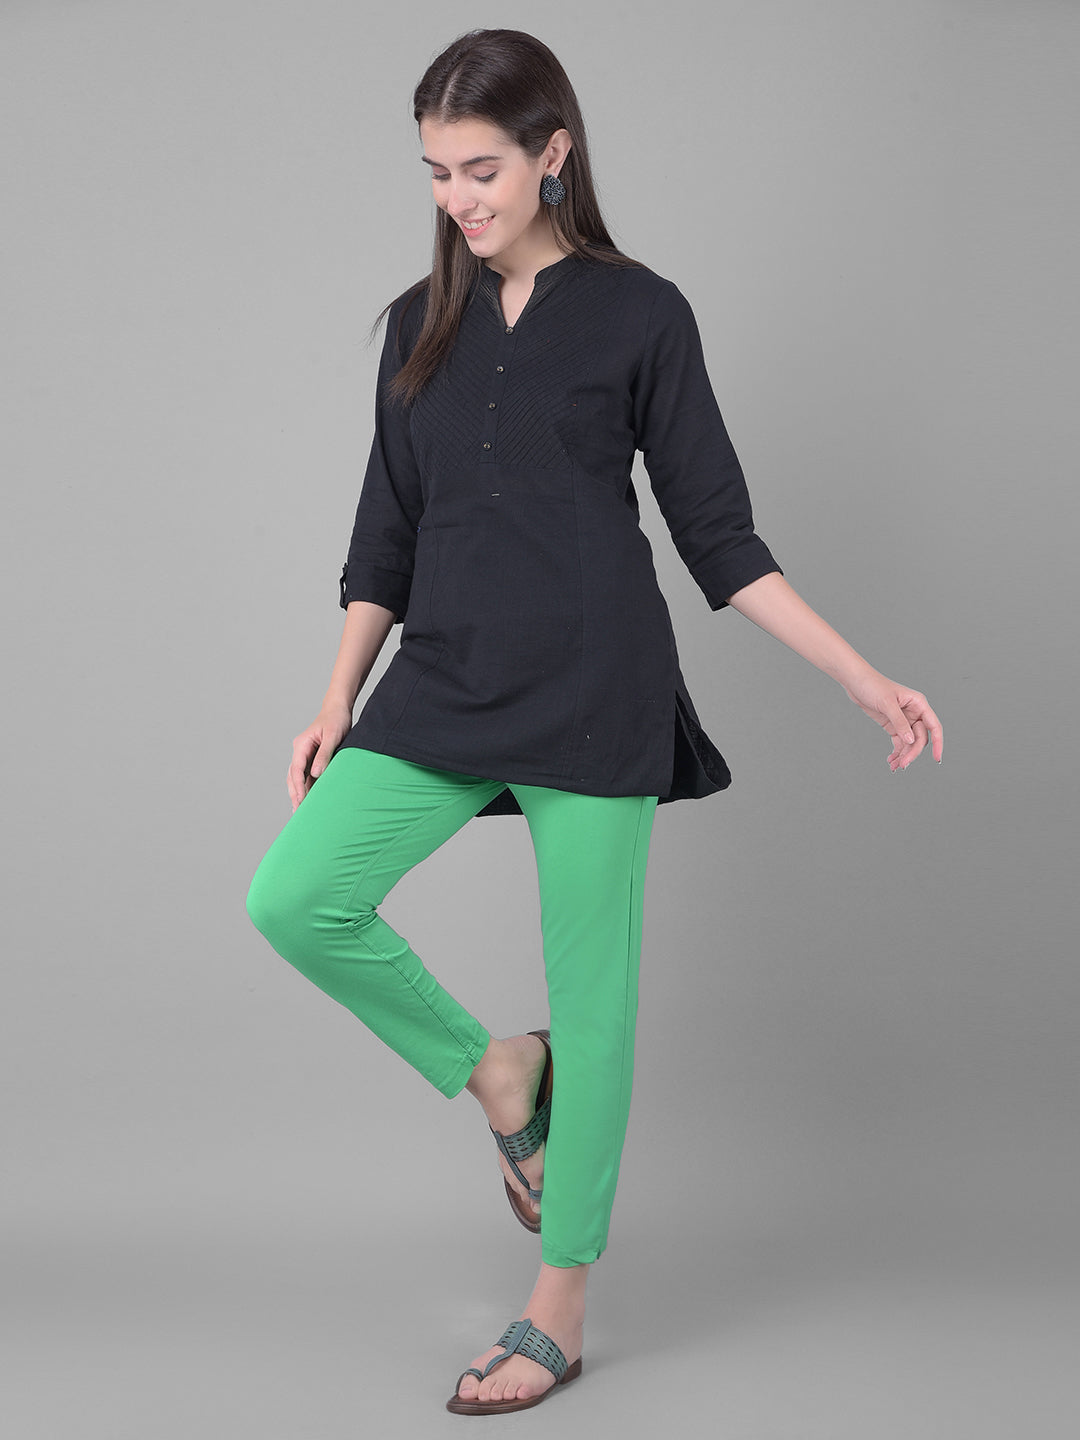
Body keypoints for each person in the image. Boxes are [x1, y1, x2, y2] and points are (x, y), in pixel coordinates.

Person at [246, 27, 943, 1417]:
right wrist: (336, 696)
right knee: (298, 896)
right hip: (444, 678)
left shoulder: (641, 315)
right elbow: (386, 533)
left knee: (598, 1003)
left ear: (552, 152)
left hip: (594, 682)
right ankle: (501, 1072)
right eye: (437, 172)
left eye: (482, 168)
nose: (458, 197)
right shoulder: (416, 323)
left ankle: (558, 1302)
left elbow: (719, 537)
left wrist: (860, 675)